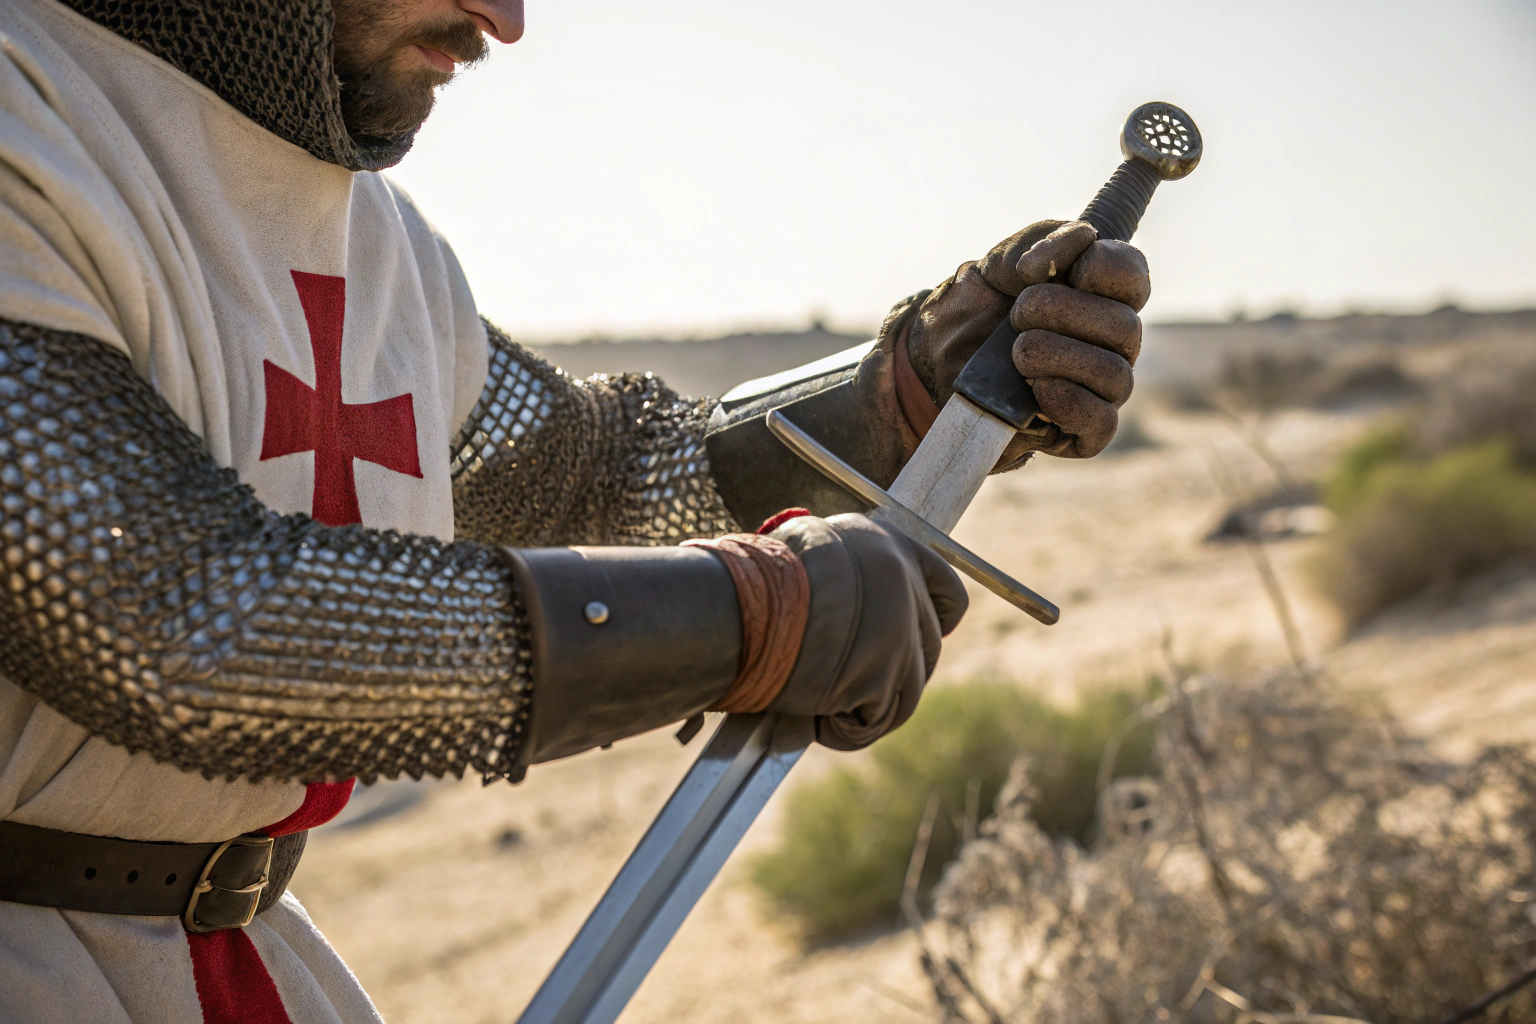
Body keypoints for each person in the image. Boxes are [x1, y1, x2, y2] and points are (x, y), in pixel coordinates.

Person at [0, 0, 1152, 1020]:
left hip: (242, 955)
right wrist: (755, 616)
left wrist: (896, 398)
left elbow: (593, 480)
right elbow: (178, 621)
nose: (501, 20)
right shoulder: (28, 117)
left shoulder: (376, 239)